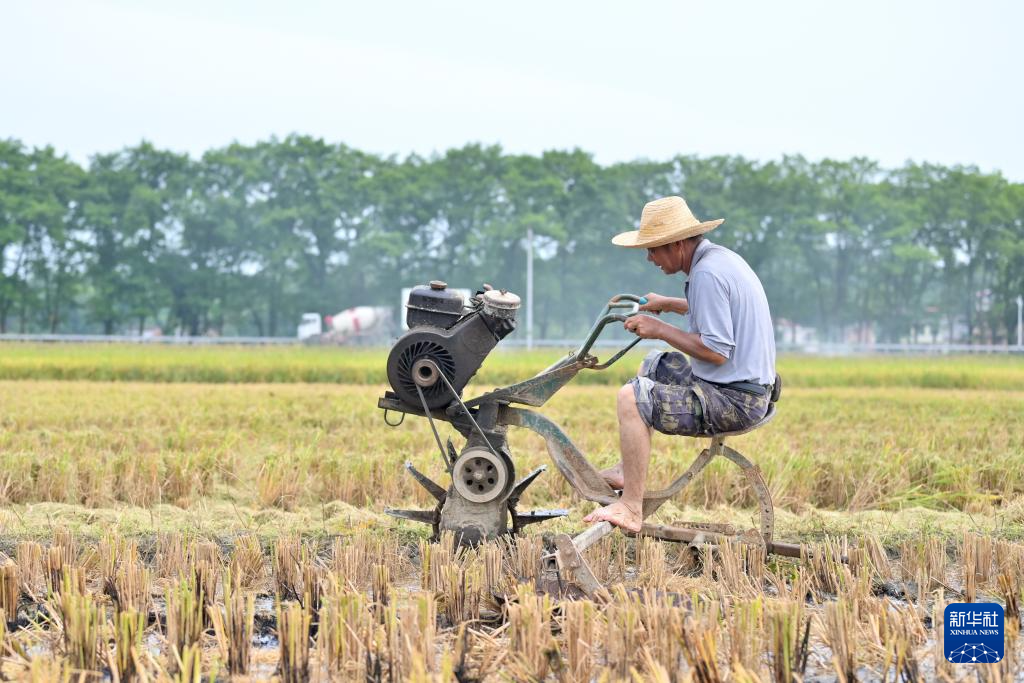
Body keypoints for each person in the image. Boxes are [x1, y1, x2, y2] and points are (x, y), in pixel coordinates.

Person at [583, 195, 776, 532]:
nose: (649, 257)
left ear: (675, 244)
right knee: (654, 364)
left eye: (653, 249)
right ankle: (627, 472)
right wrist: (668, 305)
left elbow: (717, 351)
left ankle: (630, 507)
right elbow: (714, 308)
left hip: (735, 401)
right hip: (743, 387)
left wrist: (659, 328)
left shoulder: (708, 275)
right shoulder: (718, 262)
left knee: (631, 397)